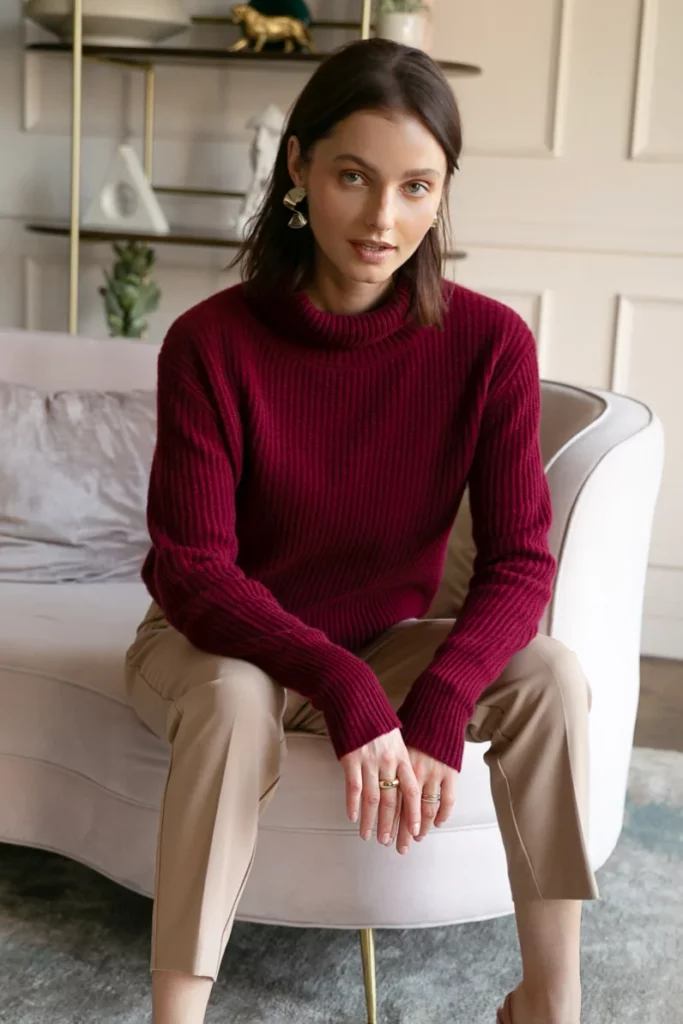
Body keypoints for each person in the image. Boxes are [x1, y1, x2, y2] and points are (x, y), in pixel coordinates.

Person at [125, 37, 599, 1024]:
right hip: (224, 643)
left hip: (381, 641)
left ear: (440, 194)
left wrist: (436, 692)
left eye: (416, 187)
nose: (384, 219)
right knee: (228, 700)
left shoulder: (486, 345)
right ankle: (177, 1013)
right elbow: (192, 569)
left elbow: (518, 561)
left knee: (549, 673)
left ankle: (548, 1002)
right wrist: (338, 684)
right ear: (297, 167)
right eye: (353, 177)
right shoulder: (211, 344)